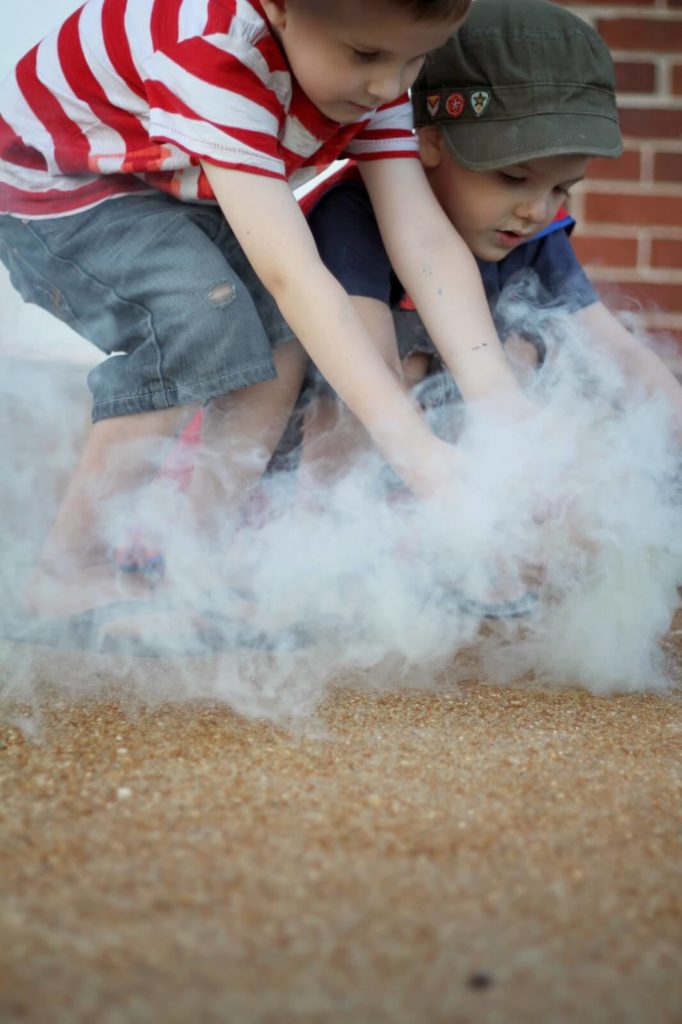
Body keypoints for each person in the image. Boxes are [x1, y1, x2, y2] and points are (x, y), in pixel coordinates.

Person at [0, 0, 533, 637]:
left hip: (166, 180)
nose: (389, 87)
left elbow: (423, 241)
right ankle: (68, 567)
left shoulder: (376, 63)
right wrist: (416, 450)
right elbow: (294, 275)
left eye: (416, 60)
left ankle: (196, 566)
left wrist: (506, 414)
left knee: (277, 339)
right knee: (197, 315)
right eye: (366, 56)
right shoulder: (217, 51)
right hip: (51, 185)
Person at [301, 0, 682, 487]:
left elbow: (620, 355)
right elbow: (367, 388)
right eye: (513, 177)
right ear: (431, 140)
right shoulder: (352, 217)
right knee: (380, 371)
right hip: (344, 475)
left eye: (562, 188)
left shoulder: (532, 232)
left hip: (453, 466)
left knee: (540, 361)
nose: (538, 210)